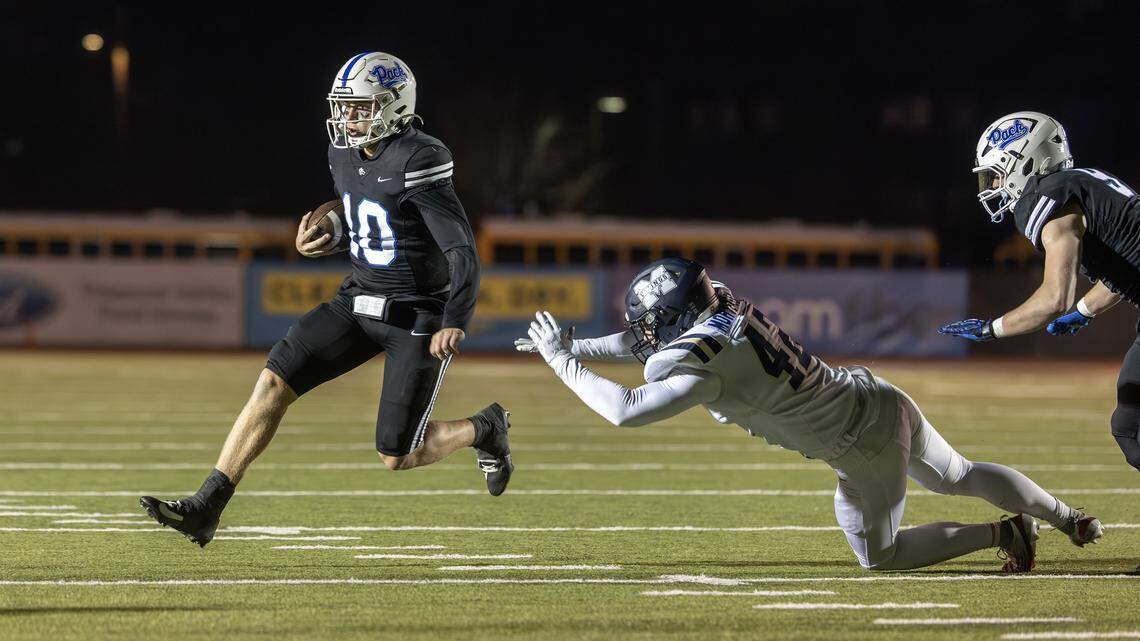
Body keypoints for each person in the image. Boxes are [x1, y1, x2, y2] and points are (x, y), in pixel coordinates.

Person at [139, 52, 513, 548]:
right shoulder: (343, 154)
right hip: (357, 300)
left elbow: (460, 248)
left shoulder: (419, 156)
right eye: (345, 107)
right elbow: (367, 214)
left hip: (415, 314)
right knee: (273, 381)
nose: (349, 118)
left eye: (360, 107)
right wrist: (331, 232)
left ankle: (485, 428)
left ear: (394, 105)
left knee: (397, 454)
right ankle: (207, 505)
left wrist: (455, 317)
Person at [517, 257, 1102, 571]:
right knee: (960, 474)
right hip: (877, 396)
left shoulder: (703, 360)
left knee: (880, 556)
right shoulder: (721, 307)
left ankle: (1002, 532)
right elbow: (641, 344)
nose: (640, 335)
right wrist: (574, 349)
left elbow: (625, 410)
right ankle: (1067, 515)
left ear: (674, 320)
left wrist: (562, 363)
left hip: (858, 444)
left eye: (650, 324)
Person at [940, 111, 1140, 472]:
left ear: (1023, 160)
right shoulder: (1084, 182)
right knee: (1131, 424)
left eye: (995, 174)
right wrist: (1084, 310)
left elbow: (1053, 298)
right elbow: (1123, 270)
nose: (991, 186)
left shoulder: (1047, 195)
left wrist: (992, 328)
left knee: (1133, 428)